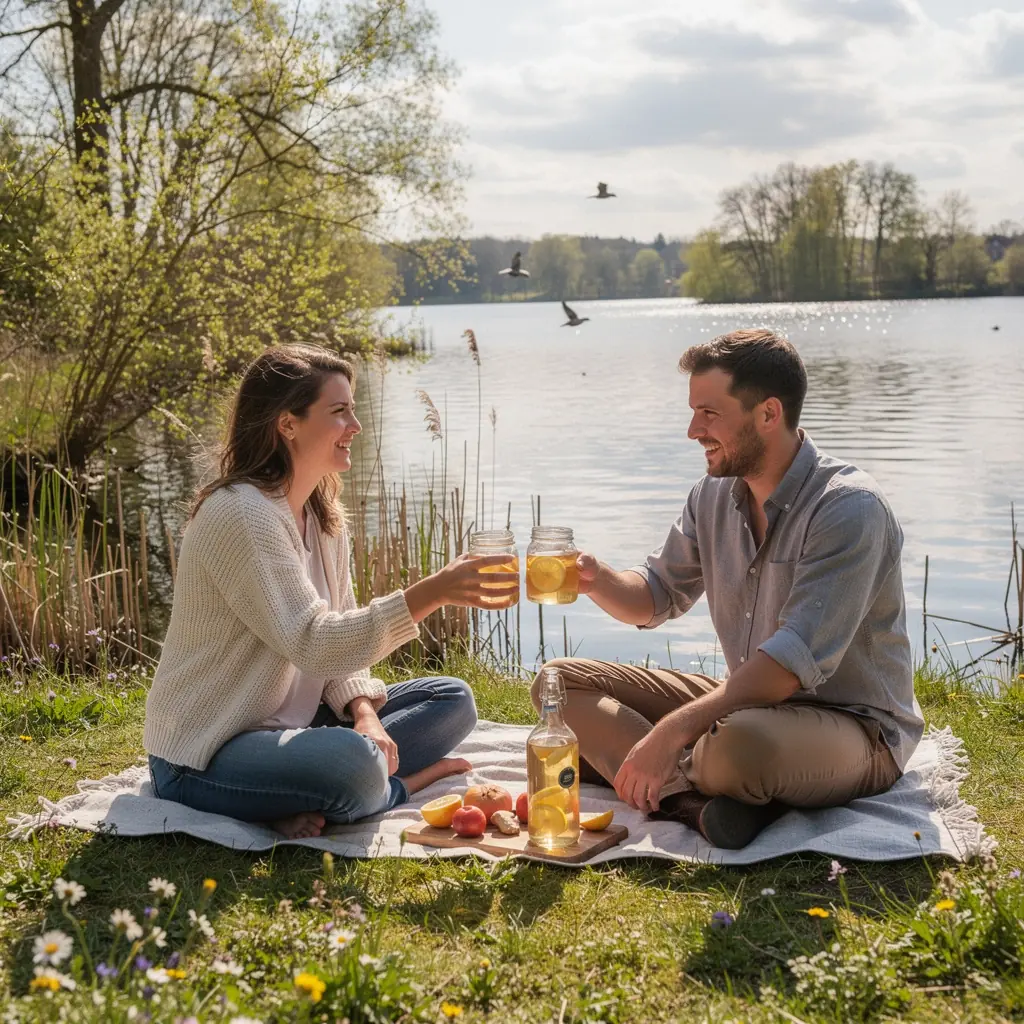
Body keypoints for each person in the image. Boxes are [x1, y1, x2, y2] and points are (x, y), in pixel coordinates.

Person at [533, 329, 924, 849]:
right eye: (694, 411)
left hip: (854, 728)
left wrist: (672, 732)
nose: (692, 429)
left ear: (768, 414)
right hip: (749, 707)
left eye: (709, 413)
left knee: (734, 749)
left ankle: (675, 771)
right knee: (557, 685)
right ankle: (691, 804)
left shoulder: (848, 508)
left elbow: (788, 667)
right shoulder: (712, 495)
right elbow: (654, 594)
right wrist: (598, 579)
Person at [145, 344, 517, 839]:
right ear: (288, 424)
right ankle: (391, 787)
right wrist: (433, 592)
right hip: (208, 748)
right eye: (339, 412)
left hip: (289, 728)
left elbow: (338, 642)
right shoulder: (241, 514)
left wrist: (366, 715)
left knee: (452, 700)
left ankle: (323, 784)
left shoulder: (322, 516)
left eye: (354, 410)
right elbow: (314, 640)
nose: (355, 427)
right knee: (354, 767)